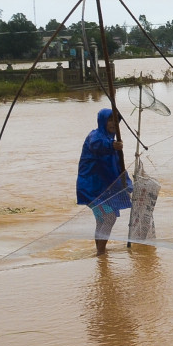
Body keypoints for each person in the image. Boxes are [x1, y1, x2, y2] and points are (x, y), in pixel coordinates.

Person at [77, 106, 132, 255]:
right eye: (110, 120)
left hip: (103, 189)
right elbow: (97, 146)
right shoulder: (95, 136)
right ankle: (100, 253)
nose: (113, 123)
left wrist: (128, 185)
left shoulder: (113, 142)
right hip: (91, 188)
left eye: (116, 120)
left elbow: (119, 168)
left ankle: (101, 254)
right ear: (102, 121)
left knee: (102, 219)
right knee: (109, 217)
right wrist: (112, 146)